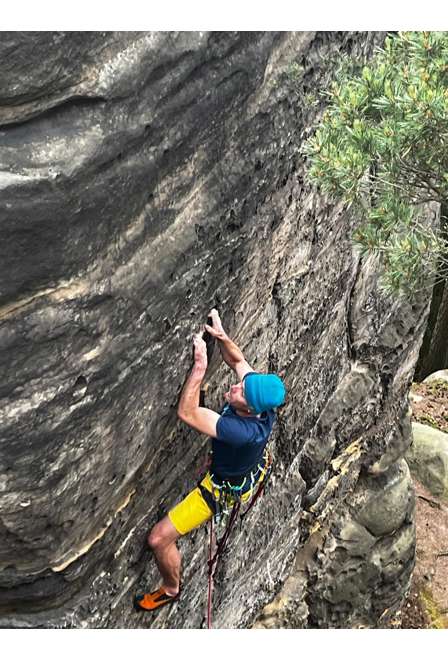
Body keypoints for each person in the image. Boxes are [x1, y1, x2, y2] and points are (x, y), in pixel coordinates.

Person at [134, 309, 286, 612]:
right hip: (237, 466)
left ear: (252, 410)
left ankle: (171, 588)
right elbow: (238, 362)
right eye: (243, 384)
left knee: (158, 539)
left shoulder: (242, 431)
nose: (235, 387)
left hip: (218, 489)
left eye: (241, 393)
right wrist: (222, 337)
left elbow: (187, 413)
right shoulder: (259, 398)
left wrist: (200, 367)